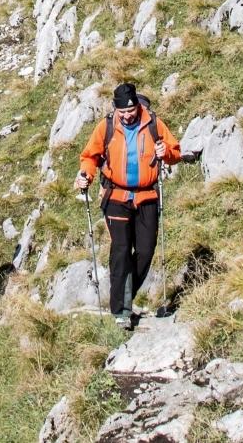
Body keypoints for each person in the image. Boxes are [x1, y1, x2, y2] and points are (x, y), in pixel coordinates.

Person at [75, 83, 181, 327]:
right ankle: (120, 311)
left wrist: (166, 152)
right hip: (116, 197)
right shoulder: (107, 125)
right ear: (116, 109)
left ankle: (122, 296)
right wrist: (86, 176)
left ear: (137, 105)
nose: (126, 116)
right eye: (122, 113)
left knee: (146, 250)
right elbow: (90, 156)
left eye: (130, 111)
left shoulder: (153, 123)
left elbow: (175, 153)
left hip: (146, 196)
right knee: (121, 251)